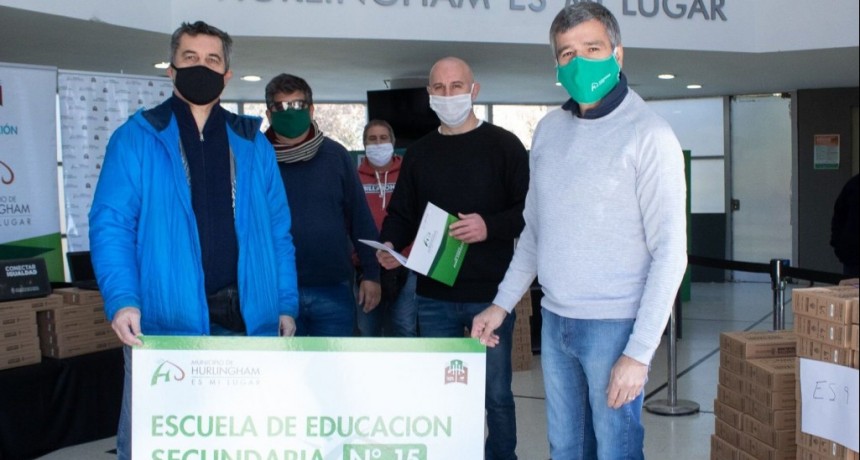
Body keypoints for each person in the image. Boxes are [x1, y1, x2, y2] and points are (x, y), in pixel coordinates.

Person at [472, 4, 688, 459]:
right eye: (567, 53)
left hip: (615, 327)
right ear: (556, 64)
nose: (579, 62)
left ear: (618, 54)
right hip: (555, 322)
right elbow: (535, 232)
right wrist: (501, 304)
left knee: (615, 451)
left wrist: (639, 353)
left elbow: (671, 252)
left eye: (592, 48)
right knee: (566, 448)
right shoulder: (549, 131)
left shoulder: (649, 135)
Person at [89, 21, 299, 460]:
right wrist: (123, 299)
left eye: (212, 60)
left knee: (247, 440)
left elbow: (279, 231)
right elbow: (111, 226)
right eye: (190, 58)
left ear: (226, 75)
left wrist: (285, 303)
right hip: (166, 319)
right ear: (171, 70)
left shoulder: (252, 143)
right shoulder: (135, 138)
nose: (200, 67)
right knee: (160, 442)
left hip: (249, 314)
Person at [377, 57, 529, 460]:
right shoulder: (420, 154)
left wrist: (489, 227)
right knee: (440, 390)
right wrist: (390, 247)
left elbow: (528, 213)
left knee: (495, 394)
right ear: (429, 95)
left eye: (457, 86)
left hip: (492, 297)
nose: (449, 95)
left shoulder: (505, 146)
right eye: (440, 88)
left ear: (474, 90)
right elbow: (403, 213)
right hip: (434, 296)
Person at [264, 73, 381, 337]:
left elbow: (359, 217)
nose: (289, 112)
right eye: (281, 107)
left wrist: (372, 274)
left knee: (334, 372)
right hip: (275, 292)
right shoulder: (257, 157)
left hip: (332, 287)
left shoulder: (335, 155)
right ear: (269, 114)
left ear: (312, 109)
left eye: (297, 105)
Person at [356, 120, 418, 337]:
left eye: (383, 138)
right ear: (364, 144)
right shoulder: (355, 178)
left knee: (404, 327)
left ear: (392, 142)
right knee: (367, 329)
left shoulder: (408, 174)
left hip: (404, 264)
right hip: (366, 267)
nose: (378, 143)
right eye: (372, 139)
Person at [830, 173, 859, 276]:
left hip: (852, 257)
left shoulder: (853, 184)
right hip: (853, 258)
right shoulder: (853, 185)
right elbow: (839, 217)